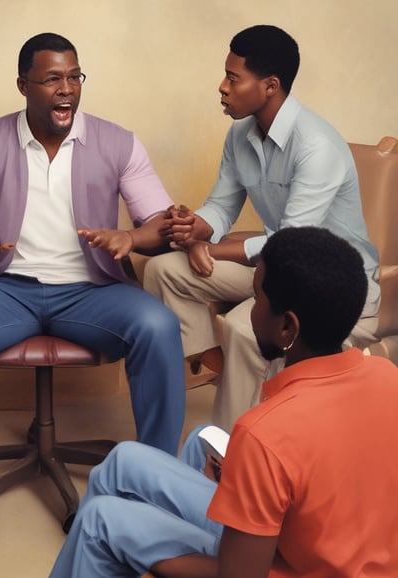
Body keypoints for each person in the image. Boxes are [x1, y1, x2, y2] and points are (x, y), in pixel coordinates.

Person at [0, 32, 186, 569]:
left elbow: (161, 224)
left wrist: (132, 239)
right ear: (23, 85)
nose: (67, 91)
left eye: (74, 78)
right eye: (52, 80)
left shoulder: (118, 142)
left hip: (93, 290)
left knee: (158, 326)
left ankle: (147, 493)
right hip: (6, 288)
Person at [51, 226, 398, 577]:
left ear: (287, 329)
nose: (251, 309)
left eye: (256, 298)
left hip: (271, 563)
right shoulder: (388, 378)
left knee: (100, 521)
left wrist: (138, 550)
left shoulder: (266, 432)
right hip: (327, 548)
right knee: (133, 457)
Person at [143, 24, 380, 430]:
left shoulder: (316, 146)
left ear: (270, 86)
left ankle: (228, 454)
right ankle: (210, 358)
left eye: (233, 78)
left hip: (331, 283)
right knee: (162, 270)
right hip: (277, 267)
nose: (222, 87)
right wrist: (193, 229)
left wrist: (210, 249)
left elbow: (290, 241)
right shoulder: (240, 136)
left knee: (244, 328)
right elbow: (221, 206)